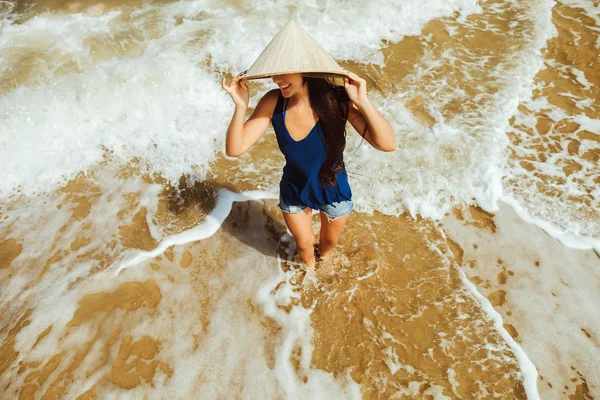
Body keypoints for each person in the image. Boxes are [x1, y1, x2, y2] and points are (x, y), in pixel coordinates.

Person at [221, 71, 396, 269]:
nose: (276, 80)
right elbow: (235, 149)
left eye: (283, 73)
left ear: (304, 69)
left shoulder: (337, 99)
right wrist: (241, 107)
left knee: (328, 244)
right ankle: (310, 274)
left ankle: (324, 259)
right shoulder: (274, 101)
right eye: (274, 74)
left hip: (333, 189)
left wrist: (362, 101)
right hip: (294, 187)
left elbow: (388, 144)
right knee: (303, 245)